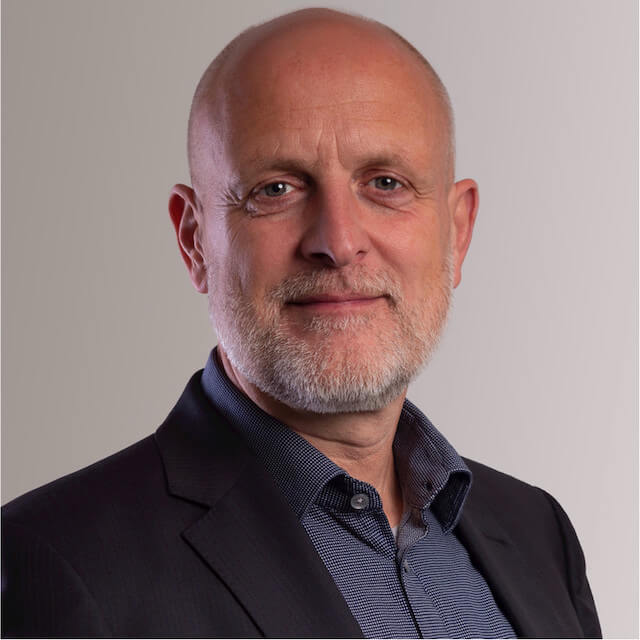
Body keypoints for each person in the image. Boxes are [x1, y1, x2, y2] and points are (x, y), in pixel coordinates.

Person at [2, 8, 601, 639]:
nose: (337, 242)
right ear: (195, 240)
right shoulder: (57, 563)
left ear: (458, 230)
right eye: (277, 190)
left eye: (386, 182)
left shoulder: (540, 536)